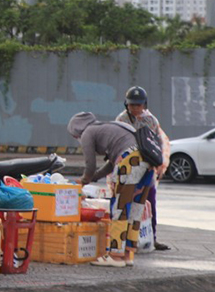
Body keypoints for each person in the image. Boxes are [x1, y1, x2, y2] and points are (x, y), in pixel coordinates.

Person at [68, 111, 154, 267]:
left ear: (76, 131)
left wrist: (83, 181)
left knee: (120, 208)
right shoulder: (108, 127)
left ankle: (115, 256)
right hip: (148, 162)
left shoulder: (88, 133)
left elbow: (90, 164)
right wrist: (94, 178)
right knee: (135, 209)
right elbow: (111, 163)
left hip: (130, 161)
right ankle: (128, 254)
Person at [114, 86, 171, 251]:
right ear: (127, 105)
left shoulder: (151, 120)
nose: (135, 109)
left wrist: (158, 164)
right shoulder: (121, 119)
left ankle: (152, 238)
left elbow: (157, 142)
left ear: (144, 105)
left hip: (147, 166)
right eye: (132, 105)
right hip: (128, 166)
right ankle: (124, 238)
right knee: (125, 202)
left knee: (150, 201)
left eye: (138, 105)